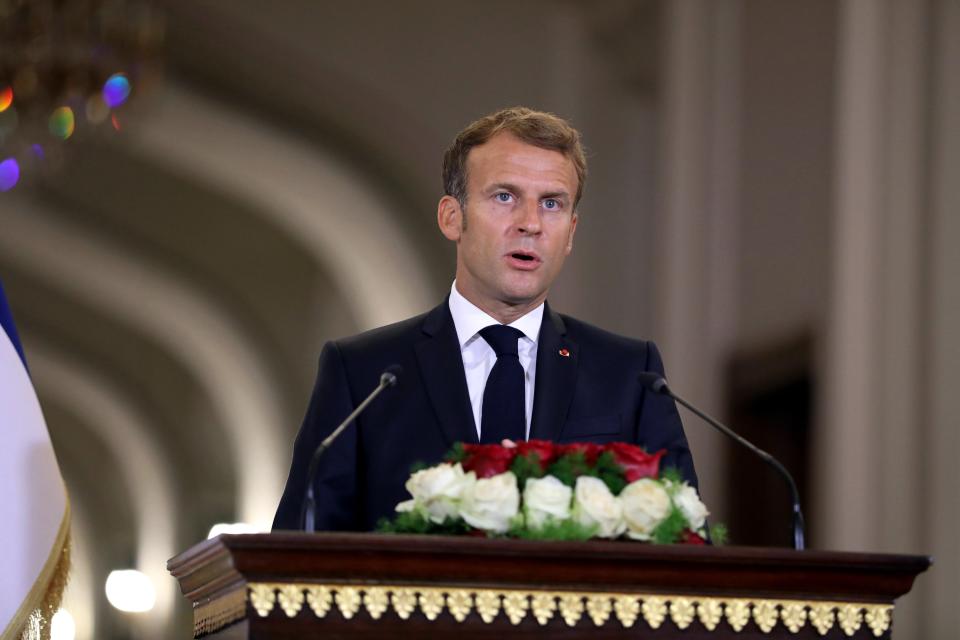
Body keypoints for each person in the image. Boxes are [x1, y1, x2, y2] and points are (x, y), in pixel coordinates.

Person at [273, 107, 698, 531]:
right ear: (451, 217)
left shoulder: (628, 374)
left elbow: (684, 542)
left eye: (551, 203)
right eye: (504, 197)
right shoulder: (365, 373)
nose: (530, 223)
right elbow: (298, 548)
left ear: (570, 233)